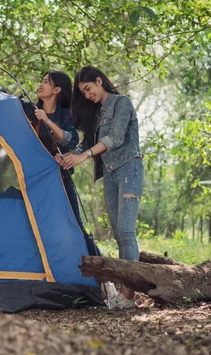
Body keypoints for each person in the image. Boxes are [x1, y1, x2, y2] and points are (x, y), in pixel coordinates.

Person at [0, 59, 92, 242]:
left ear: (57, 90)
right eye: (42, 81)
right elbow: (2, 93)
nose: (41, 84)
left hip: (60, 179)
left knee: (75, 225)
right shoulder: (31, 111)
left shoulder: (65, 114)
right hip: (36, 179)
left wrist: (46, 120)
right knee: (38, 225)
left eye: (46, 82)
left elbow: (71, 141)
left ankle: (94, 262)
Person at [61, 65, 144, 310]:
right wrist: (68, 156)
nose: (88, 95)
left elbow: (116, 137)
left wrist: (83, 156)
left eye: (88, 89)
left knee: (127, 232)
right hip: (109, 175)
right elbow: (88, 142)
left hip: (129, 169)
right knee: (118, 233)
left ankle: (129, 295)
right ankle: (124, 290)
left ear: (100, 80)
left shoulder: (122, 103)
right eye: (84, 92)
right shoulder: (97, 113)